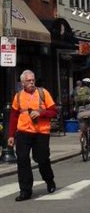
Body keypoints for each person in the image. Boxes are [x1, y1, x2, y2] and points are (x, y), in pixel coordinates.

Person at [7, 70, 58, 201]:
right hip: (23, 132)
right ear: (22, 82)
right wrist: (11, 135)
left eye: (33, 80)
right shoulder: (18, 96)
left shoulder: (43, 93)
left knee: (42, 159)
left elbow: (53, 111)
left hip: (41, 132)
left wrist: (41, 113)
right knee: (22, 159)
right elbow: (13, 116)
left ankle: (49, 181)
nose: (31, 82)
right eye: (28, 81)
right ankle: (25, 191)